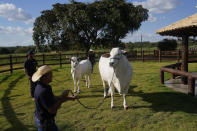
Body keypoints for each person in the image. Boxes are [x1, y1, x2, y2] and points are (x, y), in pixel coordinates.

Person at [32, 65, 76, 131]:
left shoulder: (44, 86)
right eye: (50, 74)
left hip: (45, 120)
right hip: (45, 123)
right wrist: (63, 98)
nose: (52, 76)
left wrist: (68, 98)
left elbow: (52, 98)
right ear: (45, 77)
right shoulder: (43, 91)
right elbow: (52, 110)